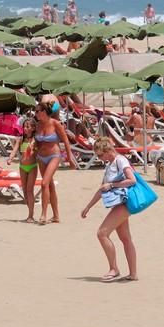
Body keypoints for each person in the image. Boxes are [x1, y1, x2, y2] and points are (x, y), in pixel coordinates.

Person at [81, 137, 138, 282]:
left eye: (100, 155)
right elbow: (102, 189)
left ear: (108, 151)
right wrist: (88, 206)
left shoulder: (120, 160)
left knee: (102, 233)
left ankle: (114, 269)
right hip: (118, 204)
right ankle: (133, 274)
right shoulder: (110, 164)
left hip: (123, 204)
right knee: (125, 239)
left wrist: (112, 185)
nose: (100, 158)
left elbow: (132, 180)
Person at [34, 102, 76, 225]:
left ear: (44, 112)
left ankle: (43, 215)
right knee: (50, 185)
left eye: (37, 111)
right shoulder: (37, 125)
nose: (35, 113)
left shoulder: (55, 123)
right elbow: (36, 143)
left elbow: (66, 141)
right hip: (41, 157)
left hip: (54, 156)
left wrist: (69, 157)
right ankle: (56, 216)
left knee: (44, 183)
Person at [7, 118, 39, 223]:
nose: (25, 128)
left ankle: (31, 215)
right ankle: (30, 212)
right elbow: (15, 149)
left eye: (28, 127)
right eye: (24, 126)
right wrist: (10, 158)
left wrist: (33, 148)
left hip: (32, 166)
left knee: (30, 190)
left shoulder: (36, 140)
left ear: (33, 128)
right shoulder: (21, 139)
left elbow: (38, 152)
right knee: (25, 191)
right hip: (22, 167)